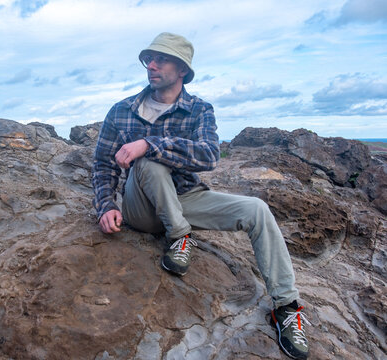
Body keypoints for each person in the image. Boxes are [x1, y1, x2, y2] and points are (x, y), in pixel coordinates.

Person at [91, 32, 311, 359]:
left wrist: (151, 143)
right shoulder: (122, 110)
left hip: (187, 198)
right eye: (148, 59)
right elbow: (103, 162)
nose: (151, 65)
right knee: (149, 161)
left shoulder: (199, 110)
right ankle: (180, 236)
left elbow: (209, 155)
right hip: (143, 208)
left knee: (258, 210)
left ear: (182, 69)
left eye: (161, 59)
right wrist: (106, 205)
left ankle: (286, 307)